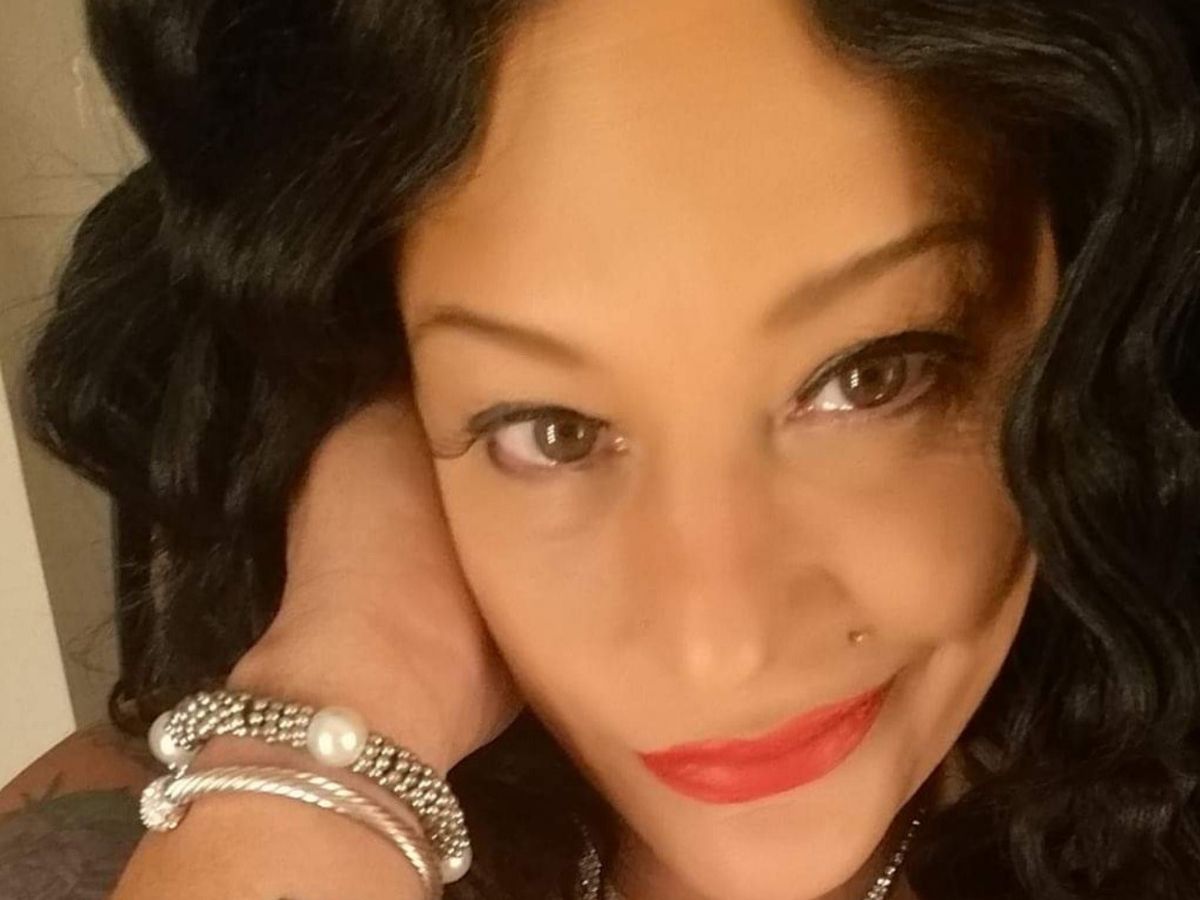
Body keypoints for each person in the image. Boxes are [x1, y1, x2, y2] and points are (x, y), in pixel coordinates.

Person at [2, 0, 1199, 898]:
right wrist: (342, 718)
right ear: (386, 403)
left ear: (1090, 315)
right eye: (552, 429)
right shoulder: (102, 844)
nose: (718, 648)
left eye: (871, 376)